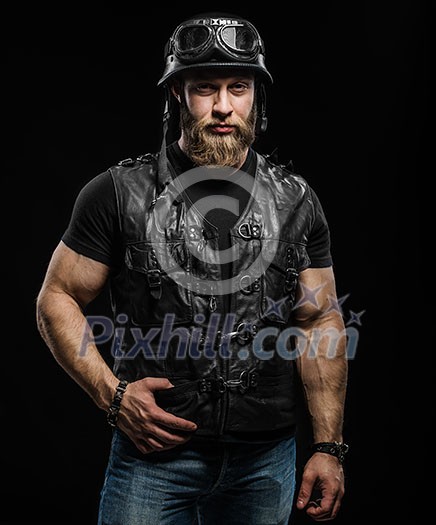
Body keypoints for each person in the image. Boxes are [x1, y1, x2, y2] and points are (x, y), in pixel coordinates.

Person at [36, 12, 349, 525]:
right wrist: (112, 397)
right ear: (177, 94)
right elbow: (57, 297)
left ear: (257, 97)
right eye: (206, 87)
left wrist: (329, 446)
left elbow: (319, 322)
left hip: (266, 464)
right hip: (153, 461)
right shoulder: (117, 193)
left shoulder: (297, 203)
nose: (223, 106)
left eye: (238, 87)